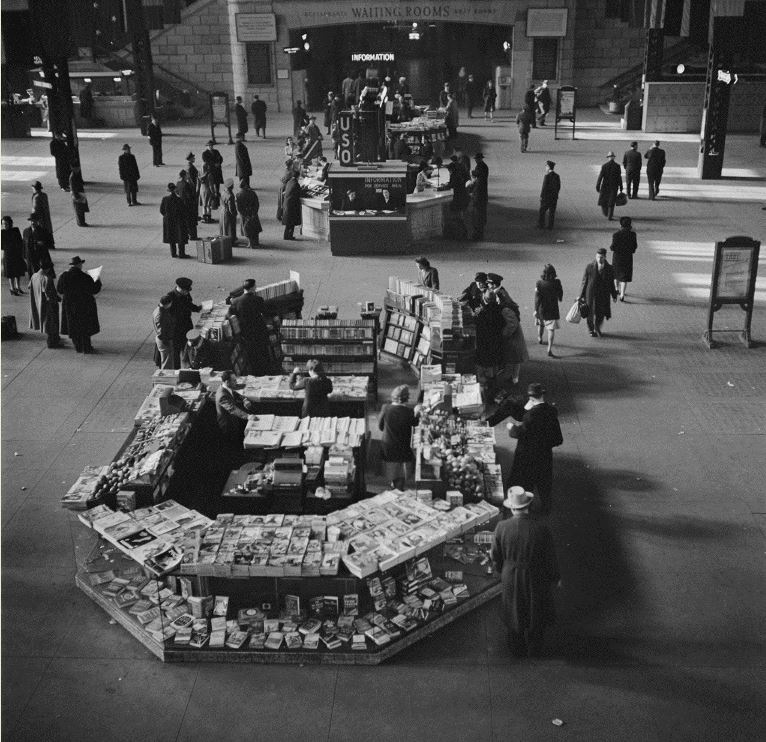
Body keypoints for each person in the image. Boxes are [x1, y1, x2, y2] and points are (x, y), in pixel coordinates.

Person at [491, 487, 560, 657]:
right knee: (536, 609)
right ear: (528, 506)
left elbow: (495, 555)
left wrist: (502, 570)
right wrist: (555, 576)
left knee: (514, 610)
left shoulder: (501, 527)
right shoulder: (541, 529)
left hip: (510, 574)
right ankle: (535, 648)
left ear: (512, 508)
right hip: (536, 574)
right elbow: (549, 556)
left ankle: (517, 648)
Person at [504, 383, 564, 516]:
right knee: (544, 483)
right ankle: (546, 508)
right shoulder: (551, 412)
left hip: (527, 455)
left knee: (526, 481)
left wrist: (511, 427)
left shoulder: (531, 416)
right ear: (542, 395)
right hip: (544, 455)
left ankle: (526, 509)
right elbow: (558, 439)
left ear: (531, 399)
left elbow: (521, 432)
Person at [487, 274, 528, 388]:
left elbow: (511, 320)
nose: (488, 285)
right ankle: (511, 375)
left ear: (494, 284)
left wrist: (503, 333)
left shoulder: (500, 298)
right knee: (514, 356)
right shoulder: (501, 292)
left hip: (512, 332)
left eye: (489, 284)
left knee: (516, 356)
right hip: (511, 328)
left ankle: (514, 378)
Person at [377, 385, 420, 490]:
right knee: (401, 473)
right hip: (402, 449)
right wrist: (417, 412)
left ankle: (393, 486)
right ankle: (398, 490)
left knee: (391, 470)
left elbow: (380, 427)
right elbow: (416, 423)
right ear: (407, 398)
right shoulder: (409, 412)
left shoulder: (385, 408)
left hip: (387, 447)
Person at [56, 255, 101, 353]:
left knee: (73, 326)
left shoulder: (64, 276)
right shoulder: (85, 277)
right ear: (79, 265)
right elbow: (95, 289)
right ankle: (86, 347)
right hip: (84, 305)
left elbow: (59, 289)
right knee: (84, 327)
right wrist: (97, 279)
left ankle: (78, 346)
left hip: (70, 305)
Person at [228, 279, 271, 375]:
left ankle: (255, 373)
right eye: (255, 286)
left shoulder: (235, 302)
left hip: (246, 333)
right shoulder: (258, 300)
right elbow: (266, 313)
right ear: (252, 288)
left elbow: (230, 315)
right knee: (263, 352)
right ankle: (266, 371)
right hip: (259, 331)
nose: (256, 287)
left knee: (252, 354)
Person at [215, 370, 255, 459]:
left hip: (233, 420)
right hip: (227, 424)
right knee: (232, 445)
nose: (236, 382)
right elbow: (232, 409)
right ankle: (234, 461)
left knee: (236, 440)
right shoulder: (222, 395)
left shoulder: (225, 387)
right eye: (234, 380)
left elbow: (235, 394)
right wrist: (248, 416)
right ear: (227, 381)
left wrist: (244, 400)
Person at [474, 290, 505, 404]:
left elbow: (476, 326)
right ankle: (492, 395)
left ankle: (483, 398)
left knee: (481, 376)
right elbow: (503, 325)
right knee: (492, 374)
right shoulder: (499, 311)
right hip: (494, 349)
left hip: (482, 349)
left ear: (485, 299)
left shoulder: (481, 313)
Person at [580, 247, 618, 337]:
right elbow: (584, 282)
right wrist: (580, 295)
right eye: (597, 257)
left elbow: (611, 283)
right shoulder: (589, 267)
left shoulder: (610, 268)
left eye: (601, 257)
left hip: (603, 294)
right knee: (589, 313)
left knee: (600, 313)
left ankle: (597, 327)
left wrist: (614, 295)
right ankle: (591, 329)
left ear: (605, 257)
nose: (599, 259)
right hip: (591, 294)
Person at [169, 277, 200, 368]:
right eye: (186, 291)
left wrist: (198, 308)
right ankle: (177, 370)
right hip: (177, 329)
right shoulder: (170, 297)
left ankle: (189, 367)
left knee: (188, 348)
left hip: (187, 325)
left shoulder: (185, 294)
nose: (188, 293)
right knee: (177, 351)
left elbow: (189, 304)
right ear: (181, 289)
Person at [29, 261, 62, 347]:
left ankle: (53, 339)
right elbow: (50, 293)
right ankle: (52, 342)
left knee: (45, 322)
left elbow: (30, 286)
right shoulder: (47, 278)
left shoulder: (34, 276)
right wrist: (58, 299)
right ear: (48, 268)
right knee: (52, 322)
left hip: (38, 302)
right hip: (48, 304)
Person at [534, 264, 563, 357]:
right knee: (551, 330)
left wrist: (535, 310)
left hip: (541, 309)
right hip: (552, 310)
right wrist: (559, 297)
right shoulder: (557, 282)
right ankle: (549, 348)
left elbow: (537, 298)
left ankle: (540, 338)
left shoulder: (539, 283)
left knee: (541, 325)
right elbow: (560, 295)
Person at [610, 216, 638, 302]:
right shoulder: (633, 235)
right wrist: (631, 251)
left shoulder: (616, 235)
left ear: (621, 225)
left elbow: (612, 247)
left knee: (616, 273)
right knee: (624, 276)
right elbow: (634, 246)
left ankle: (616, 289)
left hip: (617, 257)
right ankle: (622, 294)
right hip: (627, 257)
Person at [160, 183, 189, 259]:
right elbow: (184, 210)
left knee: (171, 236)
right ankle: (181, 253)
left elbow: (162, 210)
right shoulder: (179, 200)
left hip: (169, 221)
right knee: (180, 236)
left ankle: (173, 253)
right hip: (179, 220)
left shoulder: (165, 199)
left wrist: (167, 216)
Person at [2, 217, 28, 296]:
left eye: (6, 224)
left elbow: (20, 241)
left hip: (16, 254)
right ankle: (12, 288)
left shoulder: (15, 230)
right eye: (3, 224)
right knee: (10, 273)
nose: (5, 225)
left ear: (10, 223)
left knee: (18, 272)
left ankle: (18, 287)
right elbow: (1, 246)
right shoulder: (2, 233)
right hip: (8, 255)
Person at [596, 151, 623, 220]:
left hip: (605, 186)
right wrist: (621, 186)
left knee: (603, 200)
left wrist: (598, 186)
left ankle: (605, 213)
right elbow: (619, 177)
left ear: (608, 158)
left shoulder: (604, 166)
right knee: (612, 202)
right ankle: (610, 216)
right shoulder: (617, 166)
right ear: (614, 158)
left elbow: (600, 177)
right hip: (614, 186)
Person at [235, 180, 262, 248]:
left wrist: (244, 215)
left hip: (245, 215)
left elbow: (239, 208)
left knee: (247, 229)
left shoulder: (238, 195)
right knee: (255, 228)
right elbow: (257, 204)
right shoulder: (252, 193)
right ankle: (256, 242)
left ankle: (250, 243)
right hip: (253, 213)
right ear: (246, 186)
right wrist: (254, 212)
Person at [152, 293, 176, 369]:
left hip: (161, 339)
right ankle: (166, 378)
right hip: (164, 341)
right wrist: (167, 342)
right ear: (168, 304)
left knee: (165, 360)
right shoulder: (161, 314)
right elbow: (161, 331)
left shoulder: (158, 309)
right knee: (167, 363)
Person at [470, 152, 489, 240]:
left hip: (479, 195)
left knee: (478, 215)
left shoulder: (480, 167)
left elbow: (475, 174)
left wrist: (473, 173)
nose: (476, 160)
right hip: (483, 194)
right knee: (481, 214)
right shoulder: (484, 166)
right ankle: (479, 233)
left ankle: (477, 234)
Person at [175, 170, 198, 241]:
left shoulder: (178, 183)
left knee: (185, 221)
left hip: (182, 204)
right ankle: (193, 235)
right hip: (188, 205)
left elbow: (177, 192)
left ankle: (187, 234)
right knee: (191, 221)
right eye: (187, 174)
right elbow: (190, 195)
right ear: (185, 175)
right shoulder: (186, 184)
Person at [538, 161, 560, 229]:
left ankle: (541, 225)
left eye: (546, 166)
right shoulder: (557, 176)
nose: (545, 168)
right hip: (554, 198)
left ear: (548, 167)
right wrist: (556, 194)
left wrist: (541, 196)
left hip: (546, 198)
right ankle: (550, 226)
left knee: (542, 211)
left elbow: (544, 187)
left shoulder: (547, 176)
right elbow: (558, 186)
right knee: (552, 212)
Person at [281, 170, 301, 240]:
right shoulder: (296, 183)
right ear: (298, 176)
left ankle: (286, 236)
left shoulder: (290, 181)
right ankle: (289, 236)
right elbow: (299, 193)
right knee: (291, 223)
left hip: (287, 204)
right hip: (292, 206)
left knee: (288, 222)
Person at [220, 178, 238, 243]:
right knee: (230, 226)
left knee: (224, 225)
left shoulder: (223, 191)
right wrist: (234, 213)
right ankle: (231, 240)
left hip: (223, 210)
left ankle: (224, 236)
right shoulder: (230, 195)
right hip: (228, 212)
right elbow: (231, 207)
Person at [185, 152, 200, 225]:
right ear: (190, 159)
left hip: (192, 186)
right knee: (194, 202)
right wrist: (195, 188)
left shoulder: (189, 166)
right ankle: (195, 215)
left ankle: (196, 215)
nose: (194, 159)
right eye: (193, 158)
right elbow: (190, 179)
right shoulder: (190, 167)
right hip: (193, 187)